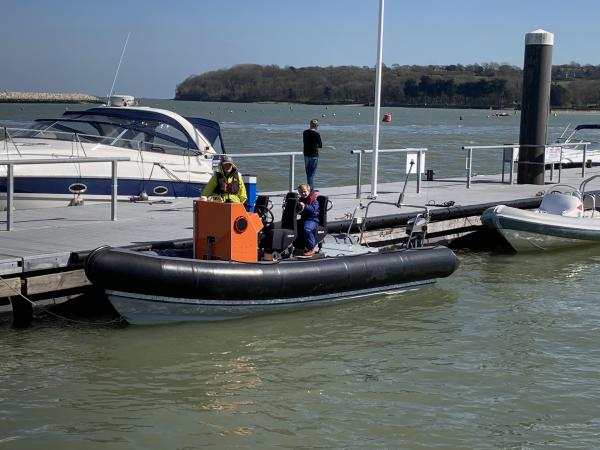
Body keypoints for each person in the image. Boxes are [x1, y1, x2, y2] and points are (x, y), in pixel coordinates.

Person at [296, 183, 320, 256]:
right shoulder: (301, 200)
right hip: (304, 219)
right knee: (294, 226)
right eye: (301, 192)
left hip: (313, 220)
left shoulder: (314, 201)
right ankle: (298, 246)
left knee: (307, 229)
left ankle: (311, 248)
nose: (303, 193)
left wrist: (305, 206)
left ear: (308, 191)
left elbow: (312, 209)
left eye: (304, 191)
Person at [302, 118, 322, 189]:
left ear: (310, 125)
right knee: (312, 173)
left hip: (306, 154)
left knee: (308, 173)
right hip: (314, 155)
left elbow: (305, 142)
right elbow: (320, 145)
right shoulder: (317, 134)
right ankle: (311, 190)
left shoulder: (305, 132)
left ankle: (308, 188)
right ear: (316, 125)